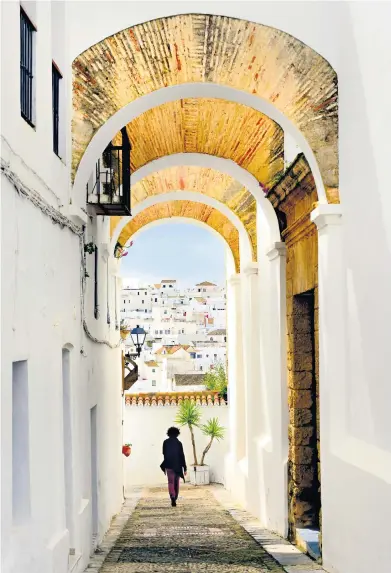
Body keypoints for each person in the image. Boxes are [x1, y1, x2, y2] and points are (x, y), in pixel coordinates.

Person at [161, 426, 187, 506]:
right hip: (178, 465)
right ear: (177, 434)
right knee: (176, 482)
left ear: (168, 433)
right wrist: (185, 468)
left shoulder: (165, 442)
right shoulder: (179, 443)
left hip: (169, 465)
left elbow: (164, 453)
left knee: (170, 482)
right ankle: (175, 497)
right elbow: (182, 455)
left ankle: (172, 496)